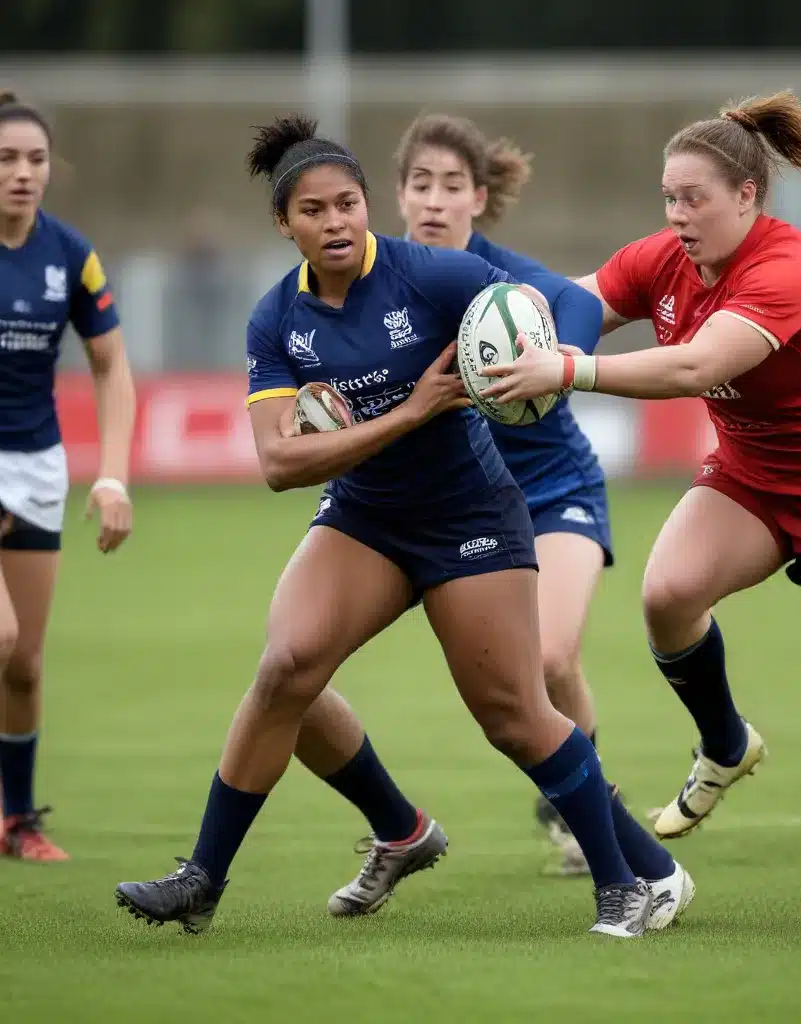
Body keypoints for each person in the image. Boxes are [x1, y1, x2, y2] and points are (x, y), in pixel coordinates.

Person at [114, 115, 689, 939]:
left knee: (516, 717)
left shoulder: (432, 274)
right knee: (287, 670)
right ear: (286, 225)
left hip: (470, 518)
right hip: (367, 517)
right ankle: (204, 876)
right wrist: (408, 412)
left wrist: (549, 361)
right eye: (314, 211)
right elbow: (278, 464)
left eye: (348, 204)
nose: (336, 222)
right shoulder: (276, 321)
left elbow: (567, 300)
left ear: (366, 204)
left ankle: (621, 884)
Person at [480, 91, 801, 928]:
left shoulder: (787, 268)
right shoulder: (665, 258)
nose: (678, 213)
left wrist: (567, 371)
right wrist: (503, 319)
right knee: (666, 595)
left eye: (694, 198)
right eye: (668, 196)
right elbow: (574, 300)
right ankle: (726, 743)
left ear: (748, 198)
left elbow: (693, 369)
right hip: (756, 475)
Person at [392, 113, 612, 875]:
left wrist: (564, 356)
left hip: (555, 490)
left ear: (479, 198)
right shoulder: (381, 282)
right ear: (398, 195)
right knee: (515, 683)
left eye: (452, 185)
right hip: (464, 507)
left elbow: (580, 305)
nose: (434, 200)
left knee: (551, 659)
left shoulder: (500, 279)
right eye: (420, 183)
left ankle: (584, 806)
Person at [0, 91, 135, 861]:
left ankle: (17, 819)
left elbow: (112, 367)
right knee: (0, 634)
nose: (24, 174)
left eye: (36, 160)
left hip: (36, 467)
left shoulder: (69, 254)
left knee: (23, 661)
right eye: (7, 160)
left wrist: (112, 477)